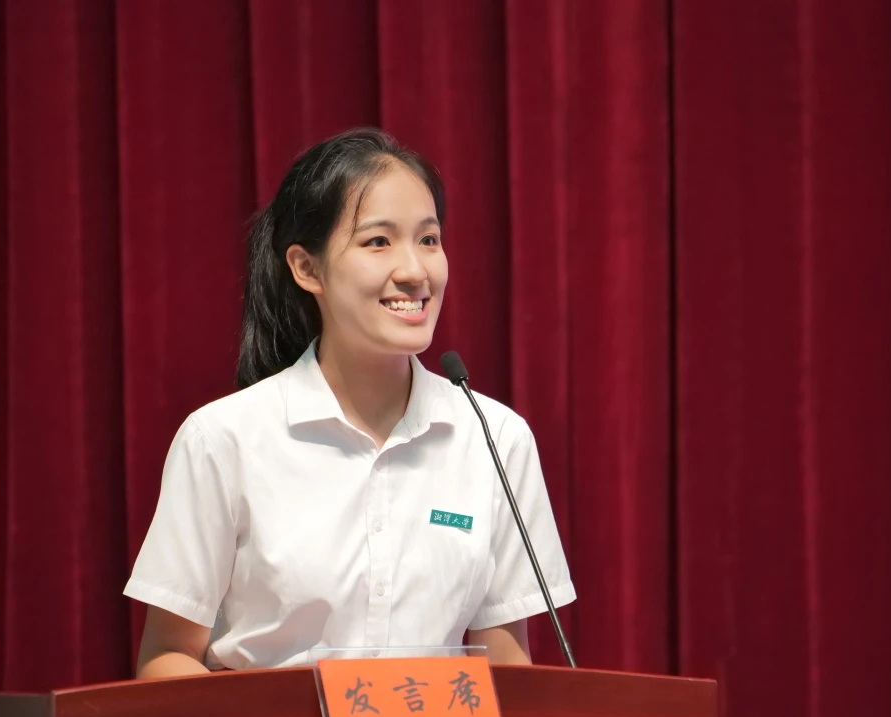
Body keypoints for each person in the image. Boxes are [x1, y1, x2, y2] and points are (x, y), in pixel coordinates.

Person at [125, 127, 575, 677]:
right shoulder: (224, 439)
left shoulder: (497, 438)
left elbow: (505, 662)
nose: (414, 272)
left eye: (429, 239)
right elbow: (167, 658)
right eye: (378, 242)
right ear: (306, 268)